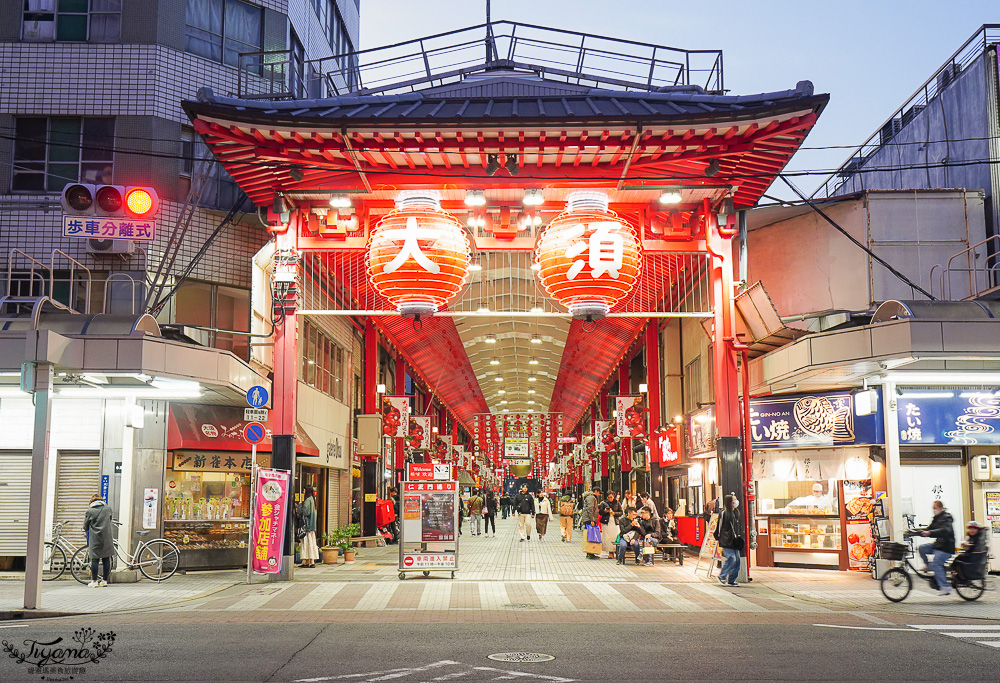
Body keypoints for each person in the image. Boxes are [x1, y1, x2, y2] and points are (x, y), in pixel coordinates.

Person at [916, 499, 956, 596]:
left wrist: (930, 533)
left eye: (935, 508)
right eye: (933, 508)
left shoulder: (947, 518)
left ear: (941, 508)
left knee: (936, 563)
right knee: (922, 548)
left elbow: (945, 530)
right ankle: (928, 566)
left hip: (946, 548)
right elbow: (929, 529)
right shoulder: (936, 518)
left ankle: (945, 586)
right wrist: (915, 532)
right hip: (938, 545)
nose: (934, 510)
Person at [83, 494, 114, 588]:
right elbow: (110, 519)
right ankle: (104, 581)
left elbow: (85, 525)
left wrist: (86, 529)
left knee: (95, 559)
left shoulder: (90, 511)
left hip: (95, 537)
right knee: (106, 559)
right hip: (106, 536)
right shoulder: (108, 509)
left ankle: (94, 581)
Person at [715, 494, 743, 586]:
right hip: (726, 539)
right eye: (733, 500)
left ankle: (732, 580)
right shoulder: (724, 513)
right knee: (732, 558)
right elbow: (719, 526)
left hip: (734, 540)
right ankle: (722, 576)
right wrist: (718, 536)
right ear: (730, 502)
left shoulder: (736, 512)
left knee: (737, 560)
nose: (736, 501)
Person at [298, 486, 319, 568]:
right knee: (311, 542)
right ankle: (309, 561)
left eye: (304, 490)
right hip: (312, 526)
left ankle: (310, 561)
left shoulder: (307, 500)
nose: (303, 491)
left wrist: (299, 506)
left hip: (307, 526)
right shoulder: (312, 500)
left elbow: (305, 512)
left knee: (307, 542)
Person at [579, 486, 601, 559]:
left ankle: (590, 552)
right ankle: (590, 553)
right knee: (590, 536)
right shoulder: (591, 498)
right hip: (589, 519)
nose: (599, 495)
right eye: (599, 493)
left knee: (590, 536)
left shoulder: (591, 498)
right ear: (596, 491)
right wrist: (592, 520)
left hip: (589, 519)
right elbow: (590, 509)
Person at [600, 491, 622, 559]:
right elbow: (600, 512)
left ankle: (616, 550)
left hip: (615, 522)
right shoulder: (604, 503)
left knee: (615, 536)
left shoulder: (617, 503)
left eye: (611, 497)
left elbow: (621, 512)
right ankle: (610, 552)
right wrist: (605, 511)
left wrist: (615, 513)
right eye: (608, 497)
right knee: (607, 537)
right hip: (606, 522)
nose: (610, 498)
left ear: (614, 496)